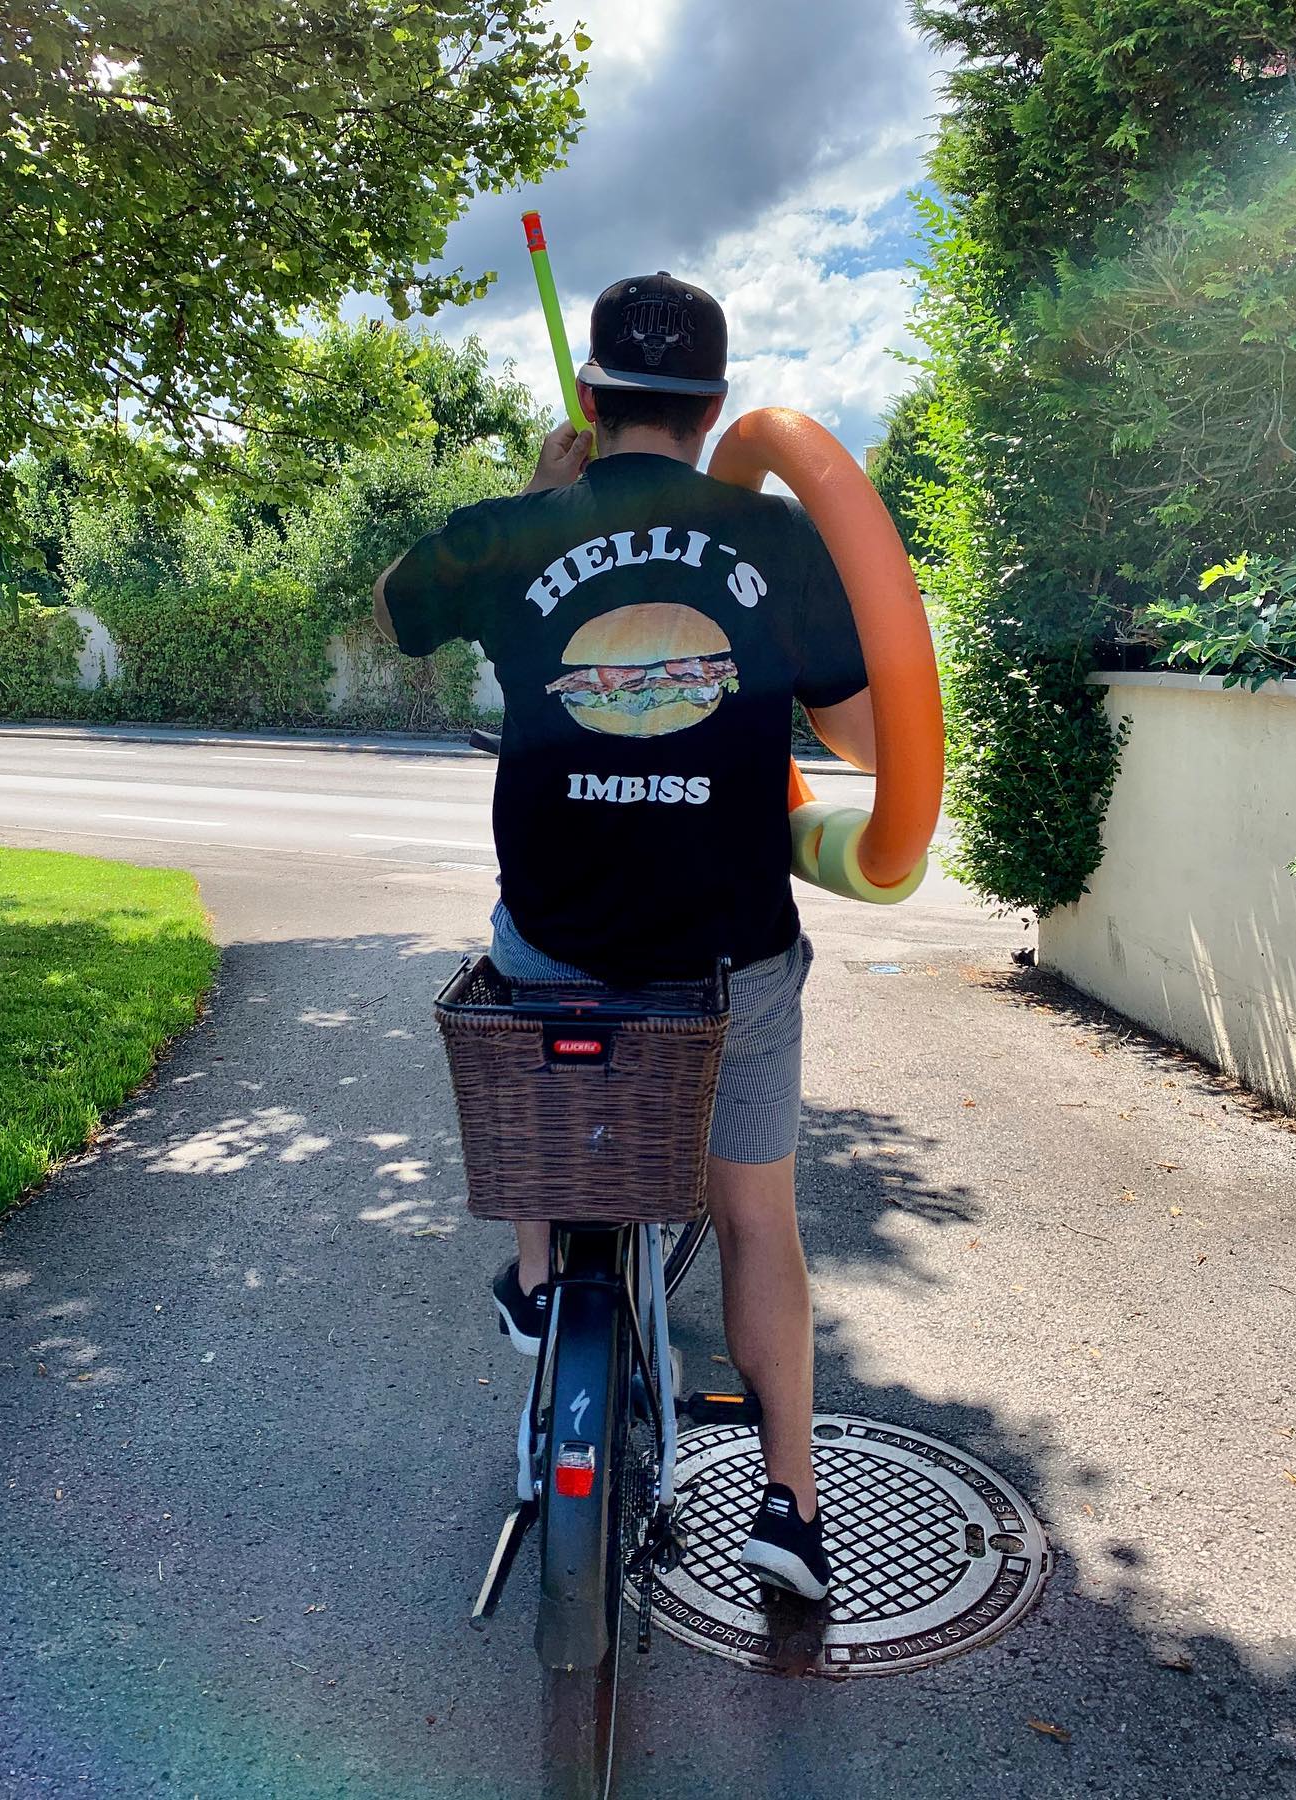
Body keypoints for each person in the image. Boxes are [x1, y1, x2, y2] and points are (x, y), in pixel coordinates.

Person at [373, 271, 875, 1602]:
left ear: (591, 402)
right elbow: (868, 738)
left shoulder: (519, 530)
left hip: (557, 948)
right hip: (728, 965)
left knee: (529, 1006)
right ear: (714, 410)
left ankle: (541, 1279)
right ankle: (790, 1510)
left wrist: (534, 509)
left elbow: (397, 611)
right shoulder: (773, 536)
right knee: (757, 1220)